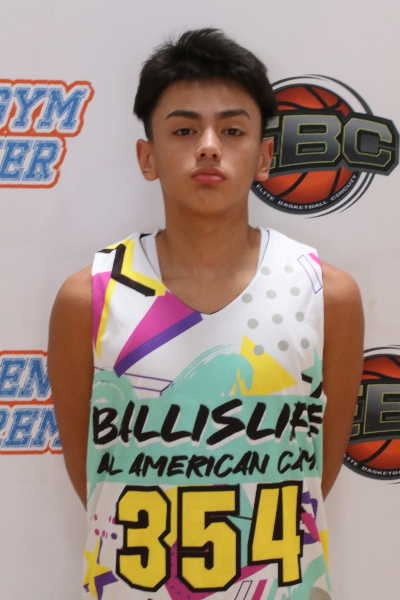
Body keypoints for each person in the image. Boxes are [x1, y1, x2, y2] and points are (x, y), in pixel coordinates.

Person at [48, 28, 364, 600]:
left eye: (233, 130)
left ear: (264, 156)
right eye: (185, 129)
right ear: (147, 157)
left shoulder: (326, 294)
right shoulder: (89, 299)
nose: (210, 146)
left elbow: (316, 475)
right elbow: (92, 476)